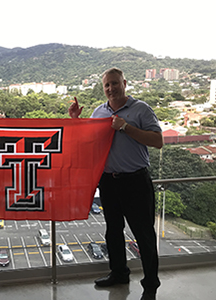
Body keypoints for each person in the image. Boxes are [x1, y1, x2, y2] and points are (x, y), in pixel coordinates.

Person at [69, 67, 163, 300]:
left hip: (136, 181)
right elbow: (87, 141)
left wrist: (126, 127)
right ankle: (119, 273)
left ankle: (151, 285)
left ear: (124, 83)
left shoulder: (140, 109)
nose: (111, 88)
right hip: (109, 182)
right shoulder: (99, 111)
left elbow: (158, 141)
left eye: (114, 83)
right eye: (107, 85)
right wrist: (76, 120)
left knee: (144, 235)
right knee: (113, 231)